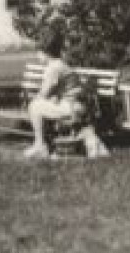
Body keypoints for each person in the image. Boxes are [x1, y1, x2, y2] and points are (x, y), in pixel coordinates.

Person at [25, 28, 109, 159]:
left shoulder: (53, 68)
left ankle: (40, 145)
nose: (37, 55)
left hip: (71, 108)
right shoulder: (61, 64)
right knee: (40, 105)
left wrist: (36, 98)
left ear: (46, 52)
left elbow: (44, 93)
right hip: (78, 105)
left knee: (34, 107)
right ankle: (47, 144)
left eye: (38, 52)